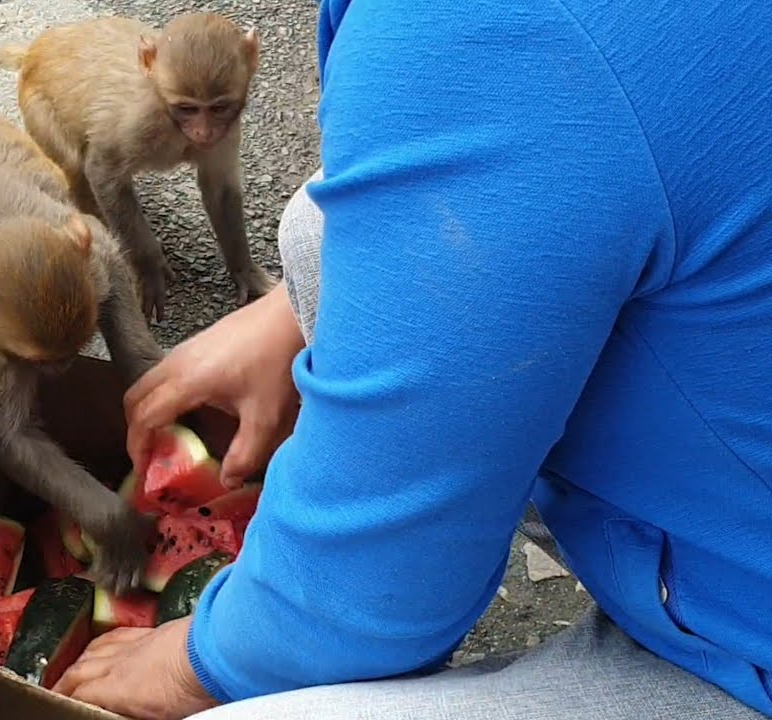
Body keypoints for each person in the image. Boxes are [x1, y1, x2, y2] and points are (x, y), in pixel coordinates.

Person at [51, 0, 772, 718]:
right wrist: (287, 314)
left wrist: (198, 667)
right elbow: (580, 163)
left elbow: (374, 597)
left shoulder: (483, 33)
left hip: (744, 644)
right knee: (313, 232)